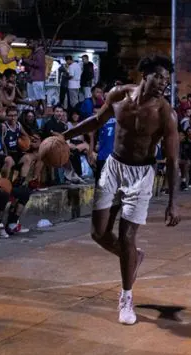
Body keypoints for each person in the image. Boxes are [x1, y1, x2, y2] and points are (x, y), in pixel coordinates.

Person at [62, 55, 181, 325]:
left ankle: (126, 297)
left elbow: (173, 161)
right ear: (145, 75)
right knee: (98, 233)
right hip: (113, 167)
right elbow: (96, 120)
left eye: (167, 79)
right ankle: (133, 258)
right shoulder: (118, 96)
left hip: (141, 174)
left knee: (127, 236)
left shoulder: (166, 114)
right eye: (159, 77)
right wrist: (64, 136)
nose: (164, 83)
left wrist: (174, 202)